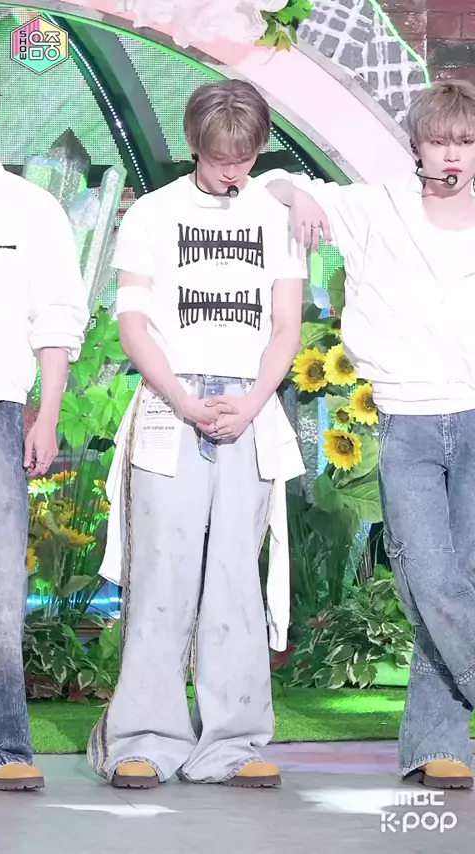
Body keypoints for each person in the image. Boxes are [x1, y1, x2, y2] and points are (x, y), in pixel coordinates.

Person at [87, 79, 307, 789]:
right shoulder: (152, 214)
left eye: (245, 159)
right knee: (163, 573)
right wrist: (183, 398)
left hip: (249, 406)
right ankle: (141, 739)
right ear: (194, 145)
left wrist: (252, 401)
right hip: (168, 402)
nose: (232, 173)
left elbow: (286, 325)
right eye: (220, 159)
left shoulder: (275, 219)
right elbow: (132, 323)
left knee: (235, 578)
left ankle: (233, 744)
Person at [259, 80, 475, 790]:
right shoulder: (378, 208)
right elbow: (270, 184)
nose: (452, 155)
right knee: (432, 580)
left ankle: (438, 745)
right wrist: (301, 194)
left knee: (463, 582)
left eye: (465, 142)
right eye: (439, 142)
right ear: (415, 146)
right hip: (407, 422)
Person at [0, 89, 89, 791]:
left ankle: (6, 742)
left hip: (0, 409)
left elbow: (57, 315)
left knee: (1, 589)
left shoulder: (30, 208)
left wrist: (47, 414)